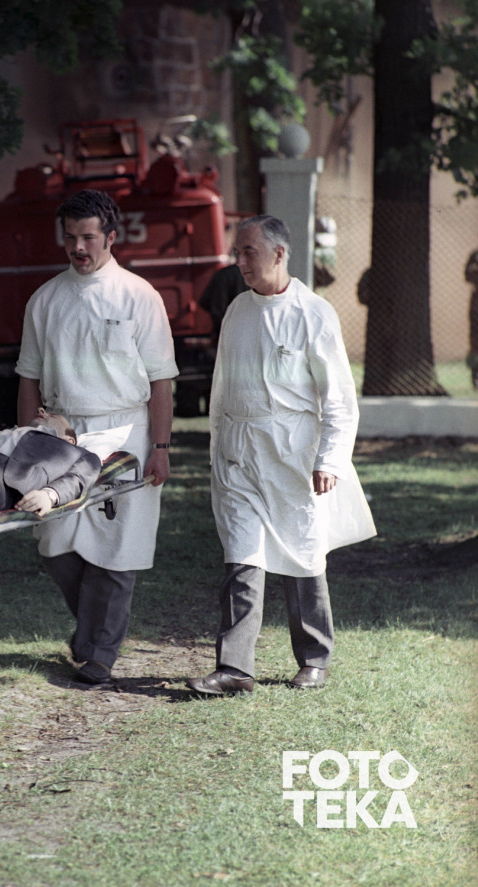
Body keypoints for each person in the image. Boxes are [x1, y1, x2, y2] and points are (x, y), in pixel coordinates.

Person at [187, 215, 376, 697]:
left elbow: (339, 399)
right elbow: (222, 387)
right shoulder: (237, 310)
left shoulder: (314, 313)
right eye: (237, 252)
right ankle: (234, 668)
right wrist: (219, 450)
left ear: (279, 253)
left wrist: (330, 460)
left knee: (303, 553)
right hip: (239, 454)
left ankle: (314, 658)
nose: (239, 261)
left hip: (294, 456)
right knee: (241, 554)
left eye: (248, 251)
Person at [16, 189, 178, 685]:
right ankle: (94, 633)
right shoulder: (45, 300)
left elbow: (161, 381)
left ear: (111, 237)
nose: (78, 247)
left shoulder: (139, 296)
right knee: (56, 543)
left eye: (88, 237)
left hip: (127, 433)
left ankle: (99, 654)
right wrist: (25, 443)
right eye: (70, 237)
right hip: (61, 434)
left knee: (117, 545)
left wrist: (161, 448)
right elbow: (28, 378)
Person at [0, 407, 101, 529]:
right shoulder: (4, 433)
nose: (40, 410)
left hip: (3, 470)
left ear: (69, 439)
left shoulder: (75, 451)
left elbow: (81, 477)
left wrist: (49, 495)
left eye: (53, 415)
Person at [465, 249, 478, 389]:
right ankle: (475, 375)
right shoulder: (475, 256)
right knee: (475, 343)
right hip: (476, 311)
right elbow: (468, 275)